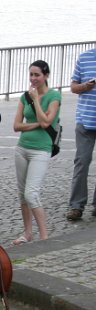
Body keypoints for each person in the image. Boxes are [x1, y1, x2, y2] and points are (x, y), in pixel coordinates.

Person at [12, 60, 61, 245]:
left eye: (37, 75)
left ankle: (44, 237)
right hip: (22, 148)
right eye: (31, 74)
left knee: (31, 193)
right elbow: (16, 126)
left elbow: (47, 122)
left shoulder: (54, 96)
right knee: (22, 193)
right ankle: (27, 232)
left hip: (41, 150)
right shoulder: (25, 97)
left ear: (46, 76)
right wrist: (35, 124)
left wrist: (37, 101)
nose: (33, 79)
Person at [66, 47, 96, 221]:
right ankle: (76, 206)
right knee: (82, 163)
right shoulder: (84, 58)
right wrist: (86, 86)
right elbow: (73, 87)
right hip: (86, 120)